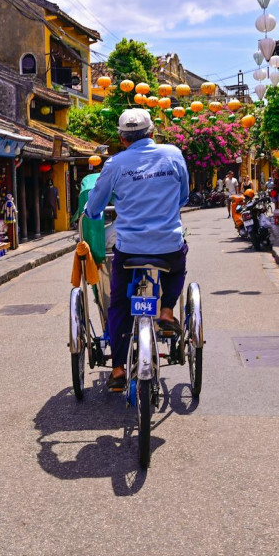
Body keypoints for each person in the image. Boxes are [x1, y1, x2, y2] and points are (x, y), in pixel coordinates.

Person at [85, 108, 189, 392]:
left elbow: (93, 209)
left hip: (129, 250)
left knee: (118, 303)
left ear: (122, 139)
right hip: (168, 244)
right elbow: (184, 196)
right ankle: (166, 311)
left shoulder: (115, 164)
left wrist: (92, 215)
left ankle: (118, 369)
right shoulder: (173, 154)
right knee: (178, 265)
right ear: (152, 133)